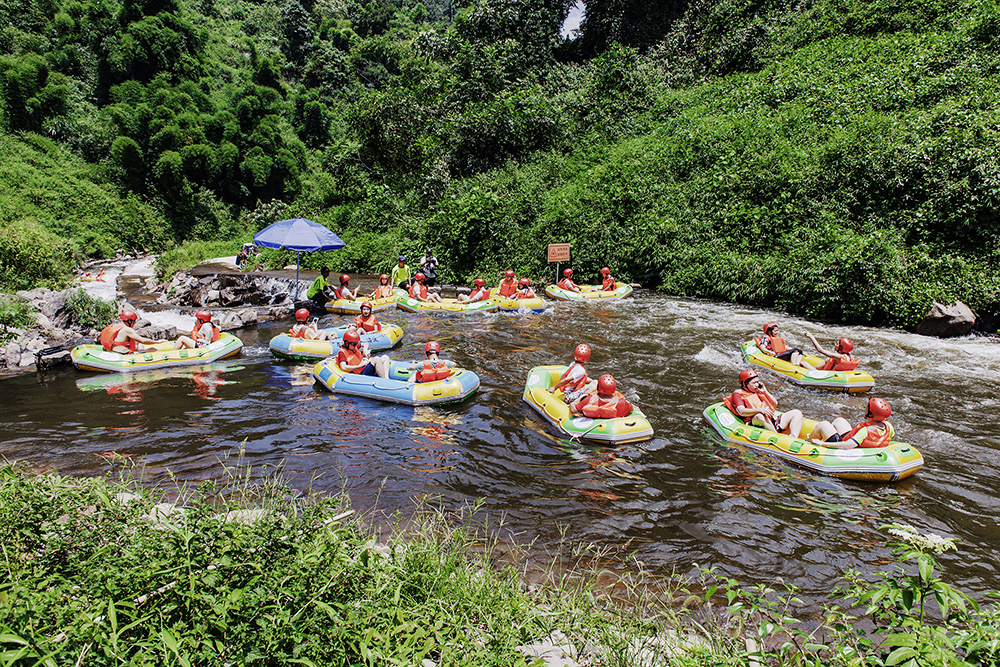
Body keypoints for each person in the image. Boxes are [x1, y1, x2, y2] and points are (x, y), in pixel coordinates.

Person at [726, 369, 804, 437]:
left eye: (757, 382)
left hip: (772, 420)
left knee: (797, 413)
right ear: (744, 384)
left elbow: (774, 403)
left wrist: (765, 392)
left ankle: (793, 437)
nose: (757, 385)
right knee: (760, 415)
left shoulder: (757, 391)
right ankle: (777, 436)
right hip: (755, 421)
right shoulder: (738, 394)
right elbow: (741, 411)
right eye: (754, 383)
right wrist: (760, 410)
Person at [808, 397, 895, 449]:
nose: (865, 408)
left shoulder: (866, 431)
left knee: (823, 424)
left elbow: (848, 445)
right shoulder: (888, 426)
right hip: (851, 441)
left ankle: (809, 443)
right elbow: (888, 438)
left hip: (843, 449)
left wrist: (823, 443)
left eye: (867, 408)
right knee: (839, 420)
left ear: (871, 414)